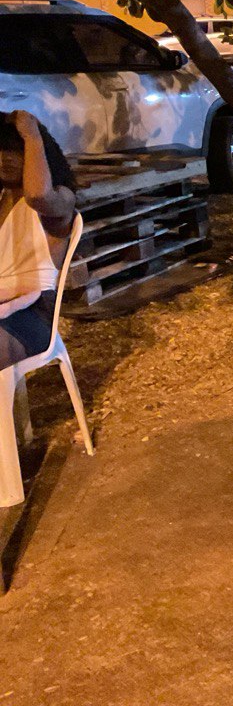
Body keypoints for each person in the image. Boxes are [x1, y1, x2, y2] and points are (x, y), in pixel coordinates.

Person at [1, 111, 77, 507]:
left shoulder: (58, 200)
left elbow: (38, 194)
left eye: (13, 151)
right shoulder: (1, 202)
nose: (5, 159)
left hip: (33, 323)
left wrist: (31, 136)